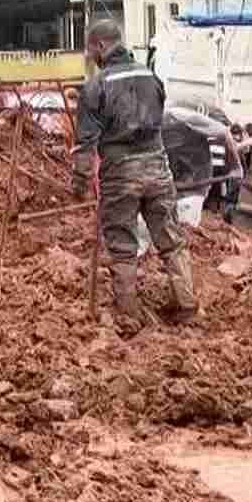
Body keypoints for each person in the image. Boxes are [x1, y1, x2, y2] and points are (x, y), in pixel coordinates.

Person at [73, 19, 195, 333]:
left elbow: (86, 143)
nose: (91, 57)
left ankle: (128, 313)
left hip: (120, 172)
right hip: (157, 165)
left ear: (100, 45)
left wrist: (80, 181)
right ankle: (186, 303)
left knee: (122, 243)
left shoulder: (95, 86)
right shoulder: (151, 76)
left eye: (91, 50)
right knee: (170, 239)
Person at [162, 105, 244, 227]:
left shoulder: (177, 116)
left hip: (191, 191)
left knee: (185, 231)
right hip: (171, 189)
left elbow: (223, 131)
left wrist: (236, 167)